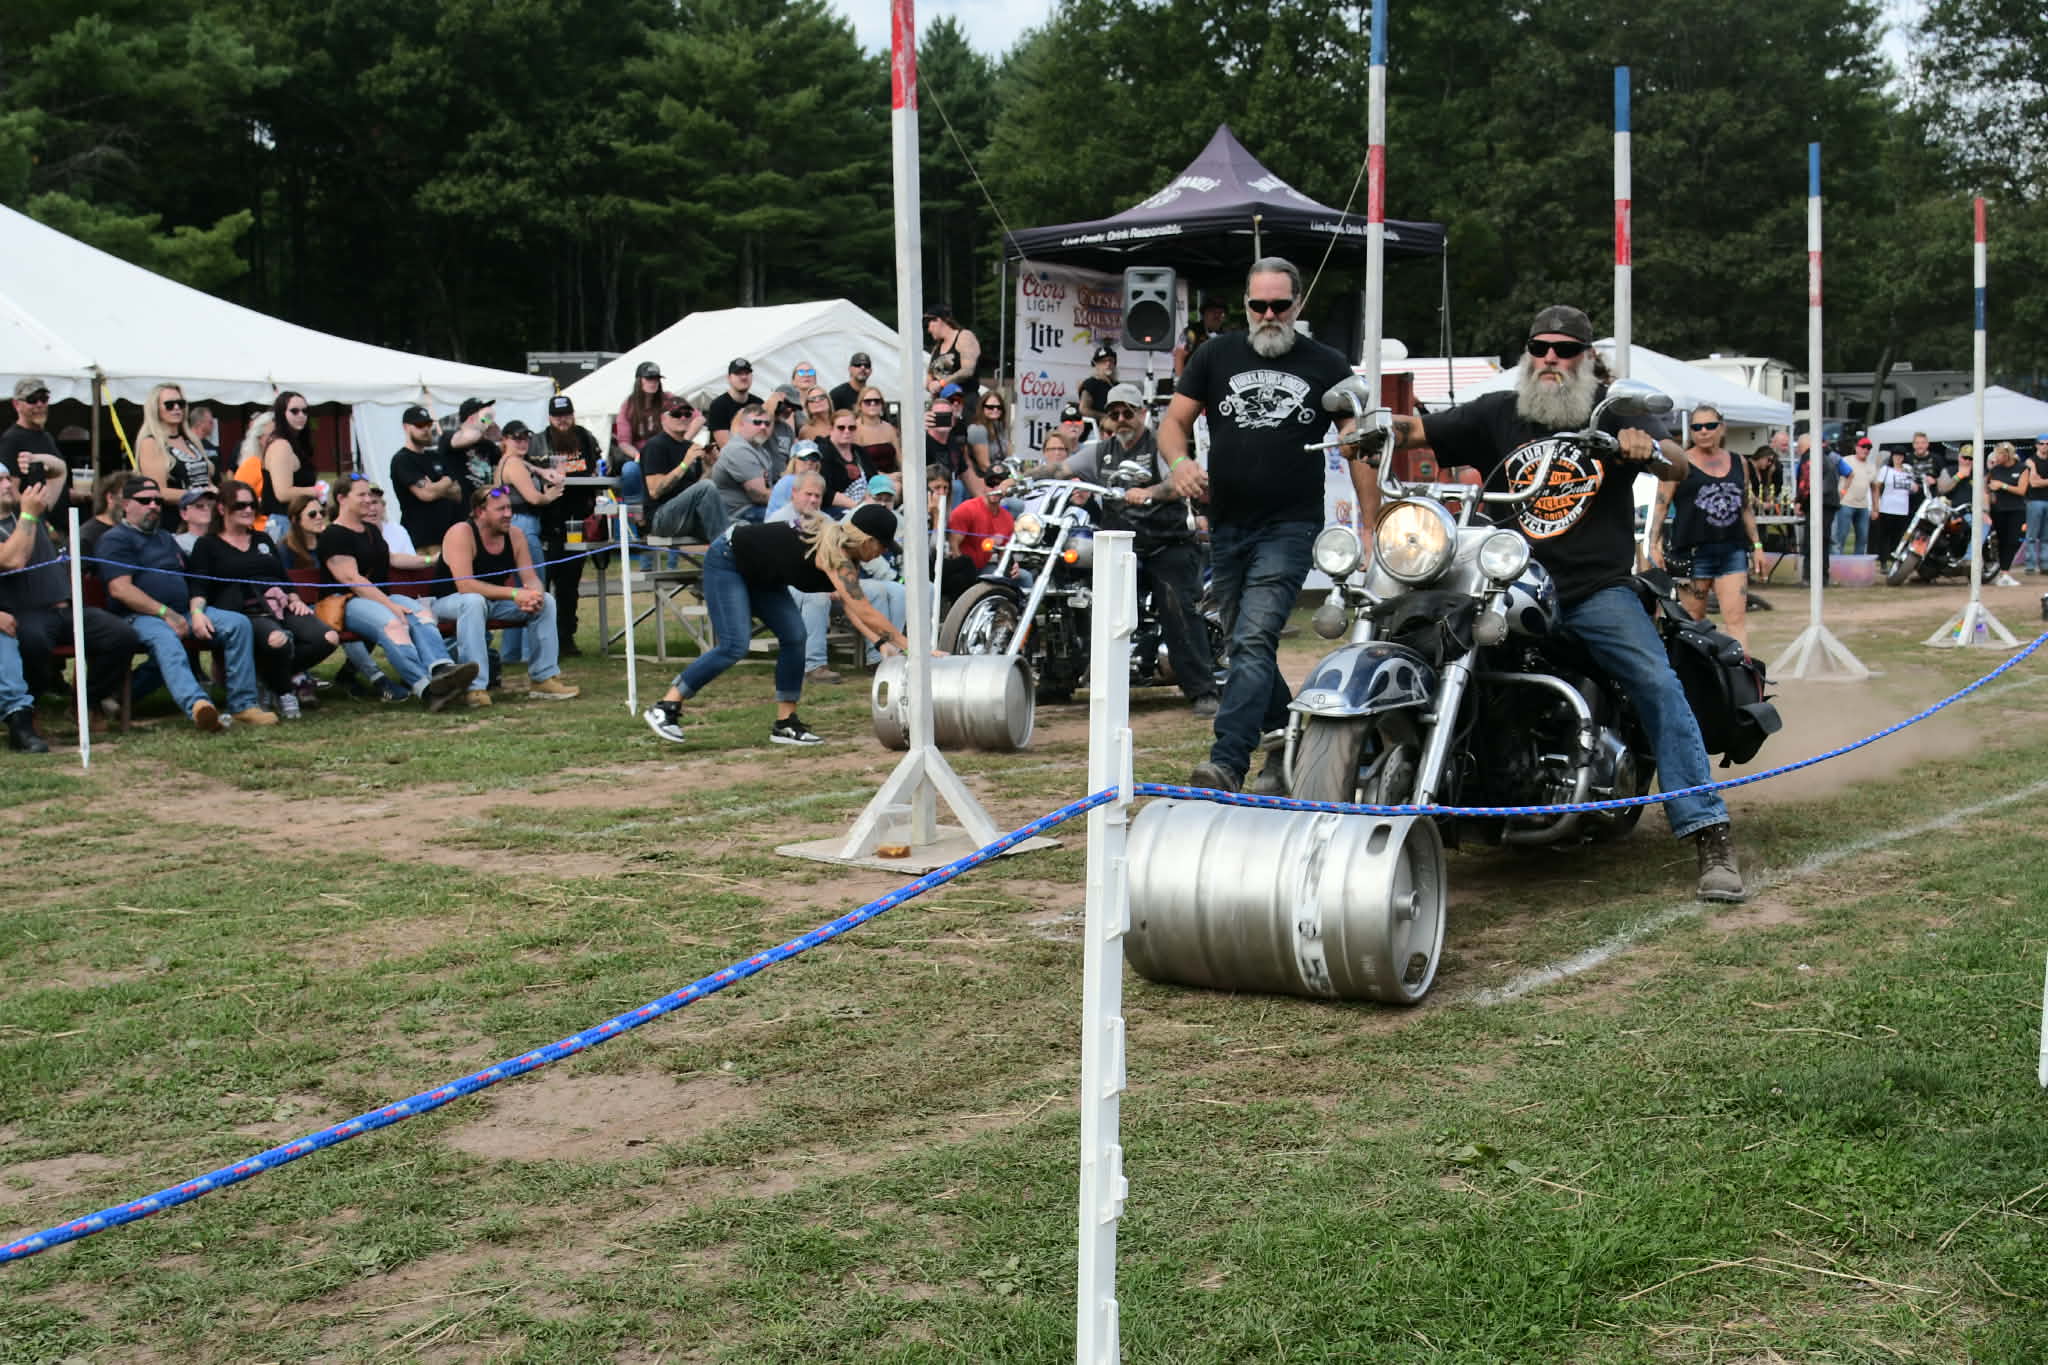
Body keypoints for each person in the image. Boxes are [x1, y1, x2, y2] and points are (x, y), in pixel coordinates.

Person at [1367, 303, 1745, 903]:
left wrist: (1645, 446)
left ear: (1587, 358)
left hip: (1593, 589)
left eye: (1564, 349)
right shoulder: (1500, 412)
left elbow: (1677, 462)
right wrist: (1371, 423)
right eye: (1539, 347)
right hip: (1502, 583)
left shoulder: (1613, 411)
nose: (1549, 357)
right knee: (1414, 639)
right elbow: (1417, 431)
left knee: (1657, 683)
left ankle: (1708, 832)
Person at [1161, 256, 1355, 797]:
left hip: (1290, 527)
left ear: (1298, 305)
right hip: (1226, 525)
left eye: (1280, 305)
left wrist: (1373, 520)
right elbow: (1174, 422)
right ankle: (1282, 739)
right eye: (1258, 305)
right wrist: (1180, 465)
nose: (1269, 315)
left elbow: (1362, 442)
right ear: (1245, 305)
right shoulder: (1215, 353)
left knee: (1252, 637)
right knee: (1244, 646)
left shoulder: (1327, 362)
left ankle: (1226, 761)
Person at [640, 504, 912, 746]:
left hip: (763, 576)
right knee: (734, 645)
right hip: (728, 560)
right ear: (866, 540)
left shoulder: (846, 556)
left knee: (795, 636)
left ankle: (785, 723)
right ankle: (666, 706)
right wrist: (911, 647)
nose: (884, 552)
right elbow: (864, 607)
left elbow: (853, 606)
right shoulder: (835, 555)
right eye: (883, 545)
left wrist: (880, 644)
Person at [1072, 384, 1217, 714]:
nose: (1121, 419)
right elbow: (1061, 468)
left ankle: (1202, 689)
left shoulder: (1159, 448)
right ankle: (1066, 678)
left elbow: (1176, 481)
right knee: (1087, 598)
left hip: (1166, 543)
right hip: (1120, 548)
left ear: (1142, 413)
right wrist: (1018, 479)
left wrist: (1148, 491)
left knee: (1175, 603)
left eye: (1128, 412)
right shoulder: (1099, 451)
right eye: (1114, 414)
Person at [97, 475, 274, 731]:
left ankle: (244, 705)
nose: (154, 506)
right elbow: (120, 589)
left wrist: (197, 611)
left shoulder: (165, 539)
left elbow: (192, 580)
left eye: (157, 501)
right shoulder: (116, 539)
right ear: (125, 504)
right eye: (145, 500)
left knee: (237, 624)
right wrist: (165, 613)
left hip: (182, 612)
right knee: (166, 639)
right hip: (137, 617)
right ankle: (199, 706)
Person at [0, 467, 139, 751]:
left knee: (121, 635)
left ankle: (85, 701)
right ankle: (30, 708)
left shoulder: (33, 507)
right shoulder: (30, 512)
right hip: (24, 612)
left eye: (7, 477)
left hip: (65, 610)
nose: (7, 484)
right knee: (34, 643)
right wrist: (28, 515)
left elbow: (59, 470)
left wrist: (37, 462)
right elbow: (13, 559)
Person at [316, 476, 478, 709]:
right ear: (341, 498)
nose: (368, 500)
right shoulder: (334, 535)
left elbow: (390, 559)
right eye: (361, 495)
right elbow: (352, 579)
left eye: (369, 495)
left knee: (421, 615)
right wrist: (391, 606)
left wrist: (431, 559)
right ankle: (427, 689)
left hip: (378, 597)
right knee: (393, 625)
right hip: (345, 603)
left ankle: (442, 669)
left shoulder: (371, 530)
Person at [187, 478, 336, 719]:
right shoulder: (207, 545)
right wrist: (197, 613)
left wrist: (295, 598)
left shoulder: (262, 540)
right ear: (223, 509)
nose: (248, 510)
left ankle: (269, 677)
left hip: (280, 604)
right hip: (245, 610)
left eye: (252, 505)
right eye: (240, 506)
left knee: (328, 638)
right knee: (277, 640)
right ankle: (284, 690)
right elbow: (199, 586)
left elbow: (282, 576)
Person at [439, 486, 580, 701]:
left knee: (547, 602)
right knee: (474, 601)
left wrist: (534, 596)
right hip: (447, 603)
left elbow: (530, 578)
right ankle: (474, 688)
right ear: (480, 512)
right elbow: (465, 585)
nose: (508, 514)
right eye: (500, 509)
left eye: (509, 508)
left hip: (491, 601)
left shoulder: (514, 534)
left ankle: (543, 679)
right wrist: (515, 594)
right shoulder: (461, 532)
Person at [1649, 405, 1764, 652]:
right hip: (1691, 553)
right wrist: (1653, 545)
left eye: (1710, 426)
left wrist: (1757, 545)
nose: (1704, 432)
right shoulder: (1678, 462)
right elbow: (1661, 505)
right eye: (1697, 427)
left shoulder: (1738, 462)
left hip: (1732, 551)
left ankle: (1743, 682)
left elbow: (1745, 507)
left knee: (1736, 623)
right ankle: (1695, 682)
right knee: (1692, 624)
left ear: (1721, 428)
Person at [539, 394, 603, 649]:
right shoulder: (540, 441)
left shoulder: (585, 437)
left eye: (566, 415)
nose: (562, 421)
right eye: (557, 416)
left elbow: (598, 468)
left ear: (573, 415)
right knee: (546, 580)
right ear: (550, 418)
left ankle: (566, 636)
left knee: (570, 582)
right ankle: (545, 639)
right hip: (550, 520)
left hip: (578, 520)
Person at [637, 401, 726, 542]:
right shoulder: (655, 445)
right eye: (676, 414)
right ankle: (724, 551)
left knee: (740, 525)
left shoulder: (690, 447)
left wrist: (710, 467)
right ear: (663, 419)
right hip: (661, 518)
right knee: (707, 488)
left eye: (687, 414)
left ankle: (726, 549)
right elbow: (654, 491)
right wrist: (684, 464)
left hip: (689, 516)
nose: (683, 418)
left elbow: (697, 490)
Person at [391, 404, 469, 553]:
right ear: (406, 427)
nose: (426, 429)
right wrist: (446, 482)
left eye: (428, 424)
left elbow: (458, 493)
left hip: (448, 535)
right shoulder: (402, 460)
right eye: (420, 425)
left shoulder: (436, 456)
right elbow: (426, 494)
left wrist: (435, 486)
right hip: (422, 540)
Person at [260, 392, 320, 541]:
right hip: (283, 524)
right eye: (294, 411)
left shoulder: (296, 444)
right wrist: (315, 491)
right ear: (281, 413)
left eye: (305, 411)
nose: (301, 415)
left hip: (298, 522)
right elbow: (282, 493)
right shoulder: (281, 445)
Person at [1794, 433, 1849, 586]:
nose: (1798, 450)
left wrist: (1799, 501)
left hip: (1819, 503)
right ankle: (1822, 577)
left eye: (1798, 447)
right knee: (1822, 541)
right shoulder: (1823, 456)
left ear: (1803, 446)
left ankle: (1810, 578)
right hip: (1828, 502)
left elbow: (1806, 483)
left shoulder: (1809, 457)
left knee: (1812, 541)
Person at [136, 384, 213, 491]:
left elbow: (207, 482)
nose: (176, 408)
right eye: (169, 404)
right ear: (156, 408)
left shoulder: (191, 440)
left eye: (180, 404)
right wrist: (200, 495)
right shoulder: (151, 443)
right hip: (176, 507)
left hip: (205, 506)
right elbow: (158, 491)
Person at [711, 402, 778, 524]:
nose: (763, 427)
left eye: (767, 423)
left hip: (753, 509)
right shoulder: (738, 449)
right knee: (791, 521)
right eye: (757, 422)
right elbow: (759, 495)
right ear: (742, 424)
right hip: (737, 514)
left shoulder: (761, 450)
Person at [0, 378, 69, 491]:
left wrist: (71, 495)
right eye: (32, 400)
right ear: (16, 404)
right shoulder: (11, 439)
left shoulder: (46, 437)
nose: (39, 404)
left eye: (44, 399)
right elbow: (11, 491)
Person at [614, 361, 673, 471]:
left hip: (666, 458)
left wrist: (684, 441)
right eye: (649, 378)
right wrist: (639, 456)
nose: (653, 382)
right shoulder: (628, 405)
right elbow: (624, 442)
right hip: (639, 459)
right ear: (638, 380)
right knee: (629, 470)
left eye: (656, 379)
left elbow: (698, 418)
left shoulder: (668, 399)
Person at [1985, 441, 2027, 586]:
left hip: (2016, 509)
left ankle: (2005, 572)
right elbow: (1987, 487)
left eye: (1999, 454)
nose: (1996, 457)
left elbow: (2022, 490)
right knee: (2002, 541)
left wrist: (2003, 486)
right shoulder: (1995, 470)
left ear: (2007, 455)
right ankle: (2003, 572)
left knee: (2013, 540)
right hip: (1999, 510)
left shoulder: (2022, 468)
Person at [439, 397, 501, 495]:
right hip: (463, 506)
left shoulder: (487, 444)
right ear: (471, 418)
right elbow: (464, 439)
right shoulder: (448, 436)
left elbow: (505, 460)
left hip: (486, 504)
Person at [923, 304, 981, 404]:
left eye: (929, 325)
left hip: (965, 403)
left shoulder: (964, 336)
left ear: (938, 320)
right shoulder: (937, 347)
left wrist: (942, 383)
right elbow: (929, 377)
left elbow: (967, 371)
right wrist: (930, 385)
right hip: (942, 405)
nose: (928, 330)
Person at [819, 410, 873, 512]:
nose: (847, 431)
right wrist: (857, 506)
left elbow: (873, 478)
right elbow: (825, 491)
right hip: (834, 509)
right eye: (841, 428)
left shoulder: (860, 451)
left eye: (851, 428)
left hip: (865, 502)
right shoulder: (823, 452)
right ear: (831, 429)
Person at [1871, 448, 1919, 564]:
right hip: (1887, 508)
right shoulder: (1886, 470)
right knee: (1884, 536)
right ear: (1892, 457)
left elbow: (1914, 487)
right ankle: (1883, 562)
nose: (1898, 458)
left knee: (1898, 537)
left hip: (1902, 509)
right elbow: (1877, 487)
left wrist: (1914, 484)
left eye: (1900, 456)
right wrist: (1876, 506)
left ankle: (1895, 561)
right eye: (1896, 456)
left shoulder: (1907, 471)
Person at [1834, 436, 1876, 553]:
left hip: (1863, 506)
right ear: (1856, 448)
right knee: (1841, 536)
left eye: (1868, 448)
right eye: (1863, 447)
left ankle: (1857, 565)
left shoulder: (1871, 465)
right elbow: (1833, 477)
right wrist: (1840, 493)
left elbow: (1875, 488)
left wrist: (1875, 508)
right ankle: (1838, 564)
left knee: (1862, 538)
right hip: (1846, 503)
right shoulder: (1846, 461)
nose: (1866, 450)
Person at [1174, 296, 1230, 378]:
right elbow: (1179, 355)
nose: (1217, 316)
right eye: (1213, 312)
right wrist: (1181, 382)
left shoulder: (1227, 335)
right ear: (1204, 314)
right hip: (1193, 380)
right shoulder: (1191, 332)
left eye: (1221, 313)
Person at [704, 358, 757, 443]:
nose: (744, 377)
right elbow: (726, 447)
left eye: (747, 373)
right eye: (738, 373)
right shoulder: (718, 405)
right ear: (729, 378)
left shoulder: (759, 403)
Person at [766, 444, 825, 520]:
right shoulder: (789, 481)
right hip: (778, 526)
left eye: (814, 458)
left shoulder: (816, 482)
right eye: (804, 457)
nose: (809, 462)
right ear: (794, 461)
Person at [853, 386, 901, 474]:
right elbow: (858, 465)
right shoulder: (854, 428)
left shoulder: (889, 428)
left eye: (877, 401)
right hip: (868, 479)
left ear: (882, 405)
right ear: (860, 405)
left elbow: (899, 458)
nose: (872, 404)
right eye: (868, 402)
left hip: (894, 476)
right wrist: (886, 477)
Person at [968, 391, 1012, 480]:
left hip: (1002, 473)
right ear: (982, 408)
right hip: (986, 478)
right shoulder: (978, 429)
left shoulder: (999, 426)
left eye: (999, 407)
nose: (995, 410)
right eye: (990, 407)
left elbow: (1010, 455)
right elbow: (984, 465)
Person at [2023, 435, 2048, 574]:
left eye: (2047, 444)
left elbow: (2037, 481)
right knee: (2032, 535)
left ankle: (2045, 565)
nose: (2045, 446)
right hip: (2034, 501)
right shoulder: (2030, 461)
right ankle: (2030, 566)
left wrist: (2040, 480)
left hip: (2044, 500)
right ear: (2037, 445)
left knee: (2046, 536)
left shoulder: (2031, 462)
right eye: (2042, 443)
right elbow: (2033, 482)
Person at [171, 487, 217, 553]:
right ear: (184, 514)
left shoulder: (223, 539)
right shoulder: (176, 543)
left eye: (210, 505)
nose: (206, 508)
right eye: (199, 506)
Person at [1078, 346, 1117, 420]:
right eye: (1103, 361)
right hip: (1096, 427)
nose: (1108, 364)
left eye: (1111, 360)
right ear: (1096, 365)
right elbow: (1084, 409)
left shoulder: (1117, 386)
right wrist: (1105, 417)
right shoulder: (1090, 384)